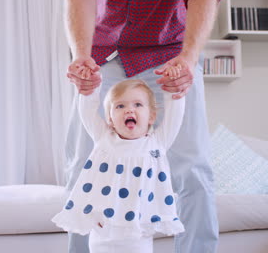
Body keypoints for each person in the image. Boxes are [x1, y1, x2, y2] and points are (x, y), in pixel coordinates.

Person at [64, 0, 223, 252]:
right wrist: (80, 54)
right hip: (106, 52)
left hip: (171, 53)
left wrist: (189, 56)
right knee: (83, 162)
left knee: (193, 171)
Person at [53, 77, 186, 253]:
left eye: (138, 104)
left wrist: (174, 89)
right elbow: (87, 111)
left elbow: (175, 115)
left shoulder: (157, 144)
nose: (129, 110)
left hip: (138, 238)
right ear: (110, 119)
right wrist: (90, 87)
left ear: (151, 116)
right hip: (102, 234)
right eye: (120, 106)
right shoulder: (104, 139)